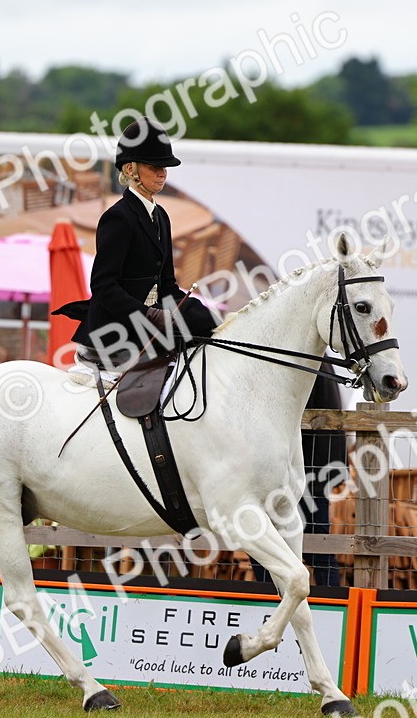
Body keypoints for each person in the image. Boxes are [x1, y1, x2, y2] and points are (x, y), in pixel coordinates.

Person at [64, 119, 216, 369]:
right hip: (117, 328)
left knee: (204, 324)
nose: (162, 173)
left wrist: (198, 312)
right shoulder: (118, 217)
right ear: (131, 170)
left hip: (152, 318)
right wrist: (148, 315)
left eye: (165, 167)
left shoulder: (161, 217)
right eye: (154, 166)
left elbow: (166, 284)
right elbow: (103, 286)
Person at [253, 360, 343, 587]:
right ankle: (329, 600)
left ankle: (272, 597)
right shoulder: (317, 361)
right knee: (317, 546)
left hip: (304, 469)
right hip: (316, 467)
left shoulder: (304, 361)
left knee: (270, 545)